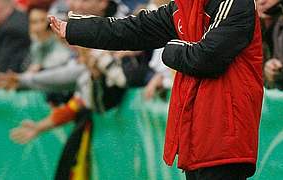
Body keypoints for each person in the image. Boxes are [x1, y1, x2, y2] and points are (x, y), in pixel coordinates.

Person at [49, 0, 264, 179]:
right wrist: (74, 29)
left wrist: (169, 50)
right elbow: (133, 29)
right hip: (197, 139)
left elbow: (205, 58)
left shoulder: (234, 3)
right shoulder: (184, 7)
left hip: (225, 138)